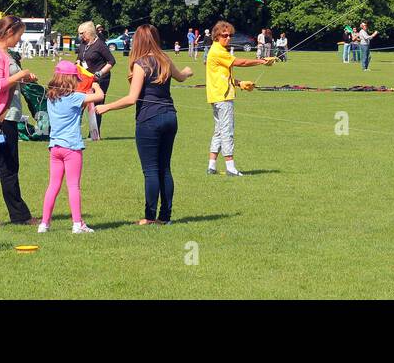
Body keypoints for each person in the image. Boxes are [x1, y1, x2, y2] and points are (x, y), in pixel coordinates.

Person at [99, 24, 195, 224]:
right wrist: (187, 71)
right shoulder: (165, 60)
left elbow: (131, 98)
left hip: (149, 120)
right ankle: (165, 217)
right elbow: (181, 76)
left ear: (138, 41)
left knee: (150, 170)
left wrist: (105, 107)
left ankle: (150, 217)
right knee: (165, 169)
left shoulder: (141, 64)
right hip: (170, 117)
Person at [0, 14, 40, 227]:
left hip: (5, 116)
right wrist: (21, 74)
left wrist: (23, 77)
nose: (19, 40)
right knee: (8, 166)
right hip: (1, 119)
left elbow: (6, 80)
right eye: (18, 35)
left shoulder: (1, 52)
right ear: (10, 32)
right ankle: (19, 214)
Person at [38, 60, 103, 233]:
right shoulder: (75, 97)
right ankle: (77, 224)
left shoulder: (50, 96)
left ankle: (44, 224)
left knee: (53, 185)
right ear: (72, 79)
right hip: (72, 148)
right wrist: (95, 85)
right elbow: (99, 97)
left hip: (55, 147)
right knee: (73, 186)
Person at [206, 20, 274, 177]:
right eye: (225, 35)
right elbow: (240, 62)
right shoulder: (218, 51)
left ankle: (211, 166)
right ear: (217, 36)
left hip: (217, 96)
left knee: (218, 131)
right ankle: (230, 168)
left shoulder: (217, 50)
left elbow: (223, 76)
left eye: (230, 35)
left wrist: (240, 83)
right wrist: (262, 61)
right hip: (222, 98)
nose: (228, 38)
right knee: (227, 130)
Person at [76, 20, 116, 137]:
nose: (80, 36)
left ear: (89, 32)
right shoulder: (84, 44)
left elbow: (112, 61)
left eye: (82, 33)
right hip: (85, 78)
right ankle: (75, 132)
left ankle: (93, 134)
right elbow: (79, 58)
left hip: (99, 80)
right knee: (80, 104)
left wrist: (100, 73)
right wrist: (77, 66)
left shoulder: (100, 45)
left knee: (96, 106)